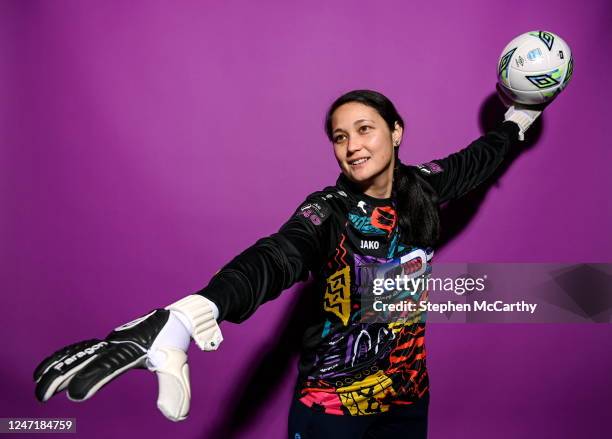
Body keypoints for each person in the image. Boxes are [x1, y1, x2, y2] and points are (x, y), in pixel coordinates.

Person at [34, 89, 543, 438]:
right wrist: (197, 310)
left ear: (396, 131)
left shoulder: (424, 188)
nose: (352, 146)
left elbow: (476, 161)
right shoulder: (330, 209)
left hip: (408, 396)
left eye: (364, 129)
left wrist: (518, 121)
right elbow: (280, 254)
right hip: (331, 406)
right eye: (340, 137)